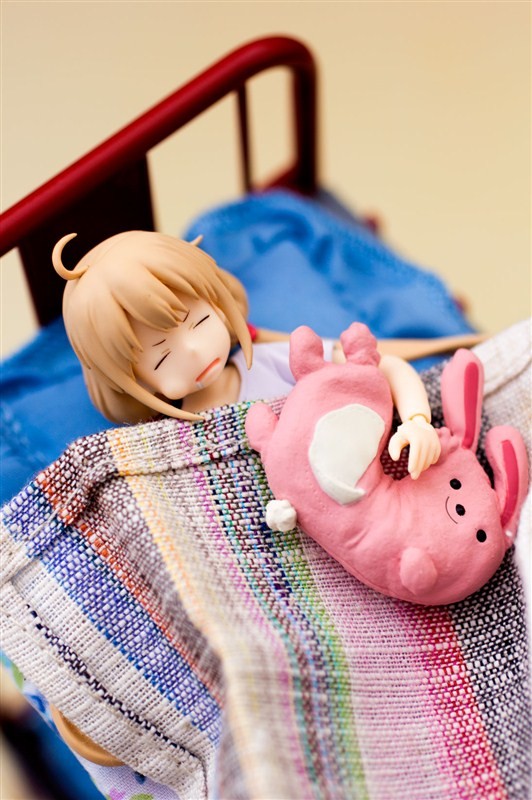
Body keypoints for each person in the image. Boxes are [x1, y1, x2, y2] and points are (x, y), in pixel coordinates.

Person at [53, 230, 441, 479]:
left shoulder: (276, 361)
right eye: (161, 358)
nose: (193, 351)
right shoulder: (175, 446)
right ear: (135, 382)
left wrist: (417, 421)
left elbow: (382, 366)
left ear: (218, 303)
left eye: (199, 322)